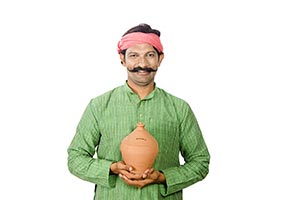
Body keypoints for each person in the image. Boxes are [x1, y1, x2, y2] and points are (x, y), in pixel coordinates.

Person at [67, 23, 210, 200]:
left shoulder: (179, 108)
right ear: (122, 58)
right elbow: (75, 158)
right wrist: (111, 168)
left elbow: (201, 161)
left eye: (150, 55)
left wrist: (163, 177)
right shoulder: (99, 105)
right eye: (134, 55)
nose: (142, 64)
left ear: (160, 59)